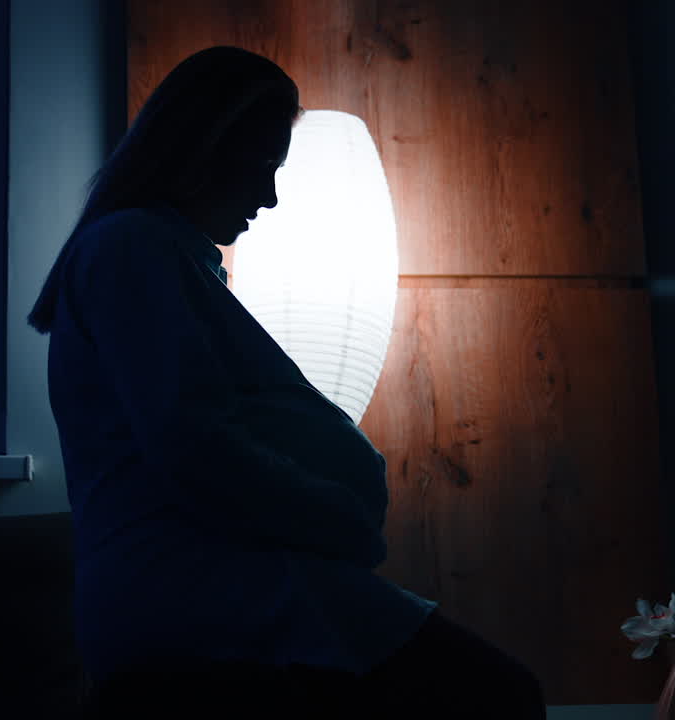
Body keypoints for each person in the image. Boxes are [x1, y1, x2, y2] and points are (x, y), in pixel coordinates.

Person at [28, 46, 546, 718]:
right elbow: (194, 445)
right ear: (205, 150)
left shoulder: (159, 257)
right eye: (263, 168)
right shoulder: (134, 249)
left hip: (218, 585)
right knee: (498, 695)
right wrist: (338, 518)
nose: (268, 199)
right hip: (202, 593)